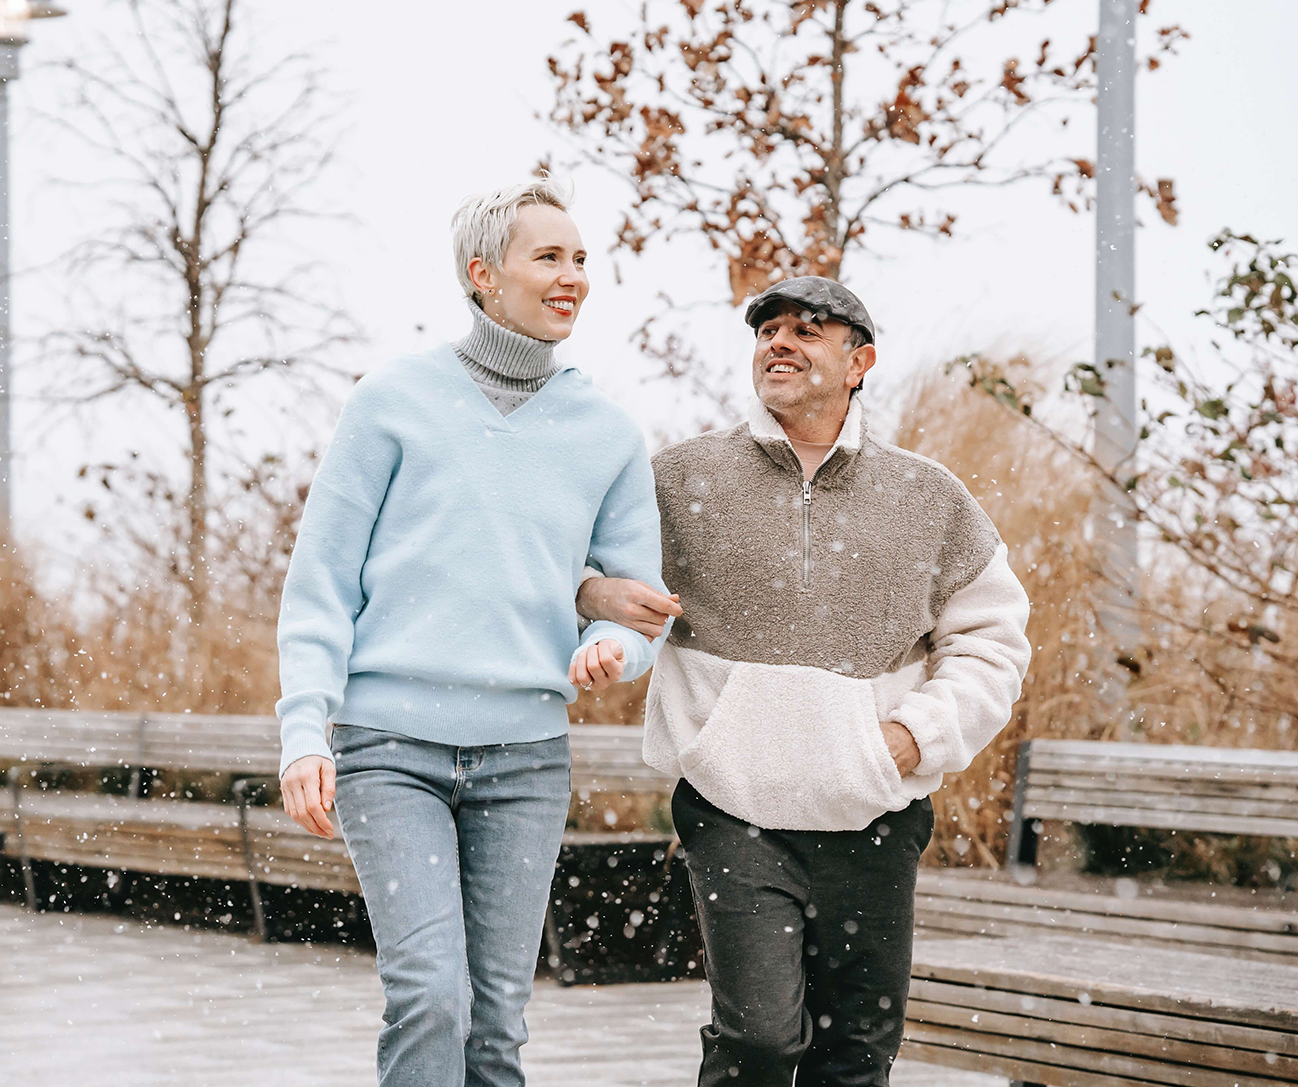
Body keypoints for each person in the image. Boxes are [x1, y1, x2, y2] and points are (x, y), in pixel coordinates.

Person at [579, 276, 1032, 1087]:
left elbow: (993, 641)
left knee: (855, 1055)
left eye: (807, 330)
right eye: (768, 330)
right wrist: (593, 596)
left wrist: (911, 738)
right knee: (757, 1039)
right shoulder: (680, 480)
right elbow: (585, 570)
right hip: (734, 809)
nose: (779, 342)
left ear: (859, 363)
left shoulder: (928, 497)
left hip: (876, 812)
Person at [274, 178, 673, 1087]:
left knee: (495, 1023)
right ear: (483, 273)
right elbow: (321, 585)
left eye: (581, 259)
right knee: (429, 997)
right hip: (389, 750)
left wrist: (611, 649)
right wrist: (304, 731)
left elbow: (640, 606)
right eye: (549, 257)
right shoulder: (392, 400)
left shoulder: (607, 432)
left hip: (525, 760)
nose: (573, 276)